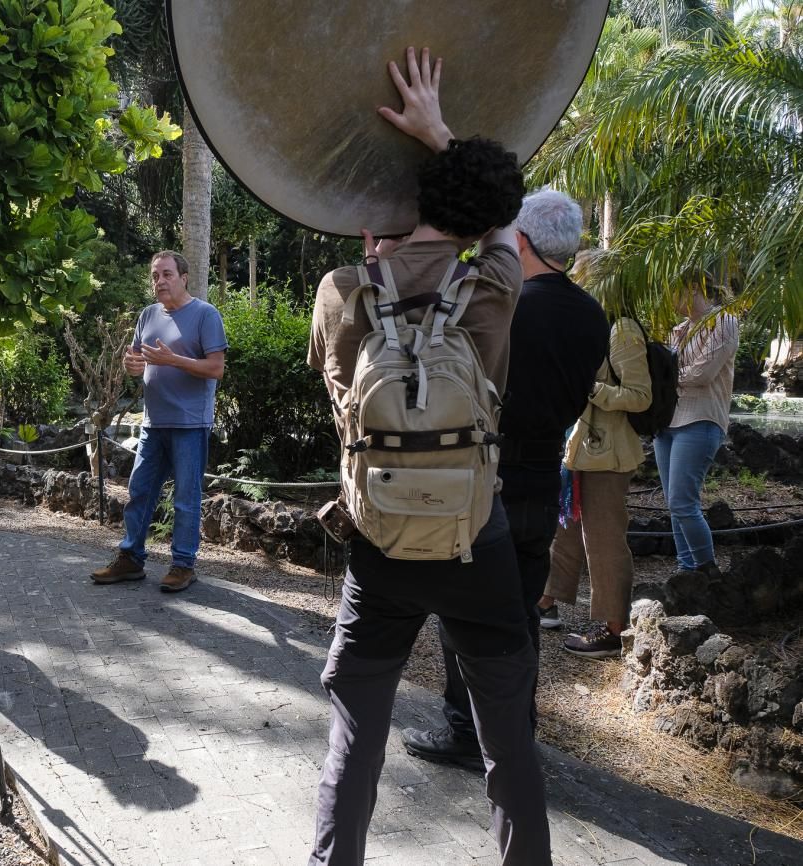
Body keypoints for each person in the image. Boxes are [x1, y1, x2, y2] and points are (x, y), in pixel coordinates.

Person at [306, 48, 551, 866]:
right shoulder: (495, 285)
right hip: (474, 542)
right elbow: (501, 222)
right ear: (482, 222)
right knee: (508, 738)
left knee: (356, 731)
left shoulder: (342, 290)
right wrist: (440, 132)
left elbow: (341, 397)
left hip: (378, 544)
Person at [399, 191, 609, 766]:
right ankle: (516, 732)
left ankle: (468, 732)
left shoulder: (510, 306)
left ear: (520, 242)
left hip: (489, 472)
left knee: (464, 607)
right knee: (520, 612)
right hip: (545, 475)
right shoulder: (592, 314)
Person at [89, 250, 227, 593]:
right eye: (155, 276)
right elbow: (136, 362)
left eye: (166, 274)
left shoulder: (205, 315)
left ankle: (183, 565)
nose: (159, 281)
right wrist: (132, 367)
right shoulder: (147, 315)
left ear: (183, 278)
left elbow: (216, 368)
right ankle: (131, 559)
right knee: (139, 492)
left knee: (185, 498)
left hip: (190, 424)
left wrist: (173, 359)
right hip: (153, 423)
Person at [537, 310, 651, 658]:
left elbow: (639, 395)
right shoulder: (593, 326)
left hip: (609, 455)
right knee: (566, 528)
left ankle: (614, 629)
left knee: (603, 541)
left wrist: (591, 388)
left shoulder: (623, 329)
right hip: (582, 449)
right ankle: (545, 603)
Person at [656, 276, 740, 580]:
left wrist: (664, 375)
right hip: (667, 421)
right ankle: (685, 571)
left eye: (675, 291)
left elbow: (703, 372)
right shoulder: (679, 328)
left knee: (682, 501)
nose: (671, 299)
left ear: (694, 288)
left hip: (700, 418)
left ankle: (707, 569)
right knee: (673, 503)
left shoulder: (724, 321)